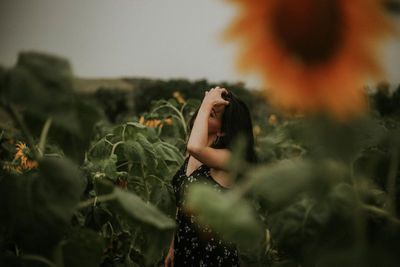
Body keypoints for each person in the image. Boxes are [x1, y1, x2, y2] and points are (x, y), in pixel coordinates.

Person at [164, 86, 256, 267]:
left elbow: (195, 147)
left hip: (212, 256)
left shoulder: (228, 159)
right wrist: (173, 247)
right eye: (203, 109)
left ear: (223, 131)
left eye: (210, 113)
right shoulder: (193, 156)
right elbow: (183, 204)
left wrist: (207, 102)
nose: (202, 113)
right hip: (185, 250)